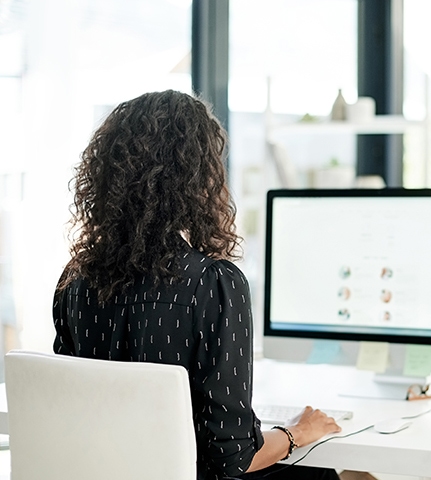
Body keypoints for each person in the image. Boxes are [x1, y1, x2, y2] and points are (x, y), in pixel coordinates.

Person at [52, 90, 341, 480]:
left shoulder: (75, 282)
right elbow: (233, 459)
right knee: (323, 473)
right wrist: (297, 432)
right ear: (198, 179)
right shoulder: (213, 283)